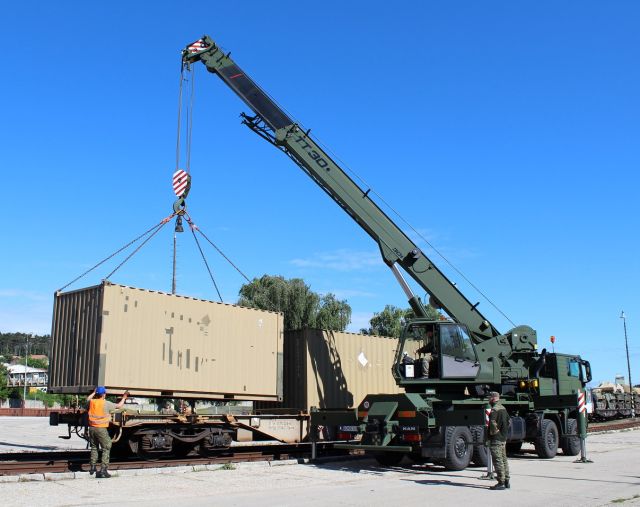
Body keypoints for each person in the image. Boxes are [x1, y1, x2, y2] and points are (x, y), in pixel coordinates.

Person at [87, 386, 129, 478]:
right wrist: (124, 397)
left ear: (96, 394)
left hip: (92, 428)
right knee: (106, 447)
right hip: (101, 428)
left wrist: (94, 392)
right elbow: (119, 406)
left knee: (94, 447)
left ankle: (93, 467)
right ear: (104, 394)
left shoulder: (92, 402)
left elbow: (88, 398)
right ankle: (103, 470)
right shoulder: (106, 403)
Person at [487, 391, 511, 490]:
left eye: (489, 398)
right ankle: (506, 481)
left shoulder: (494, 410)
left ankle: (501, 482)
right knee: (504, 459)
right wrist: (503, 433)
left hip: (496, 438)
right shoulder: (503, 408)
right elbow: (509, 421)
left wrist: (494, 433)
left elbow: (492, 423)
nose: (488, 399)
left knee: (497, 460)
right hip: (503, 438)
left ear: (493, 398)